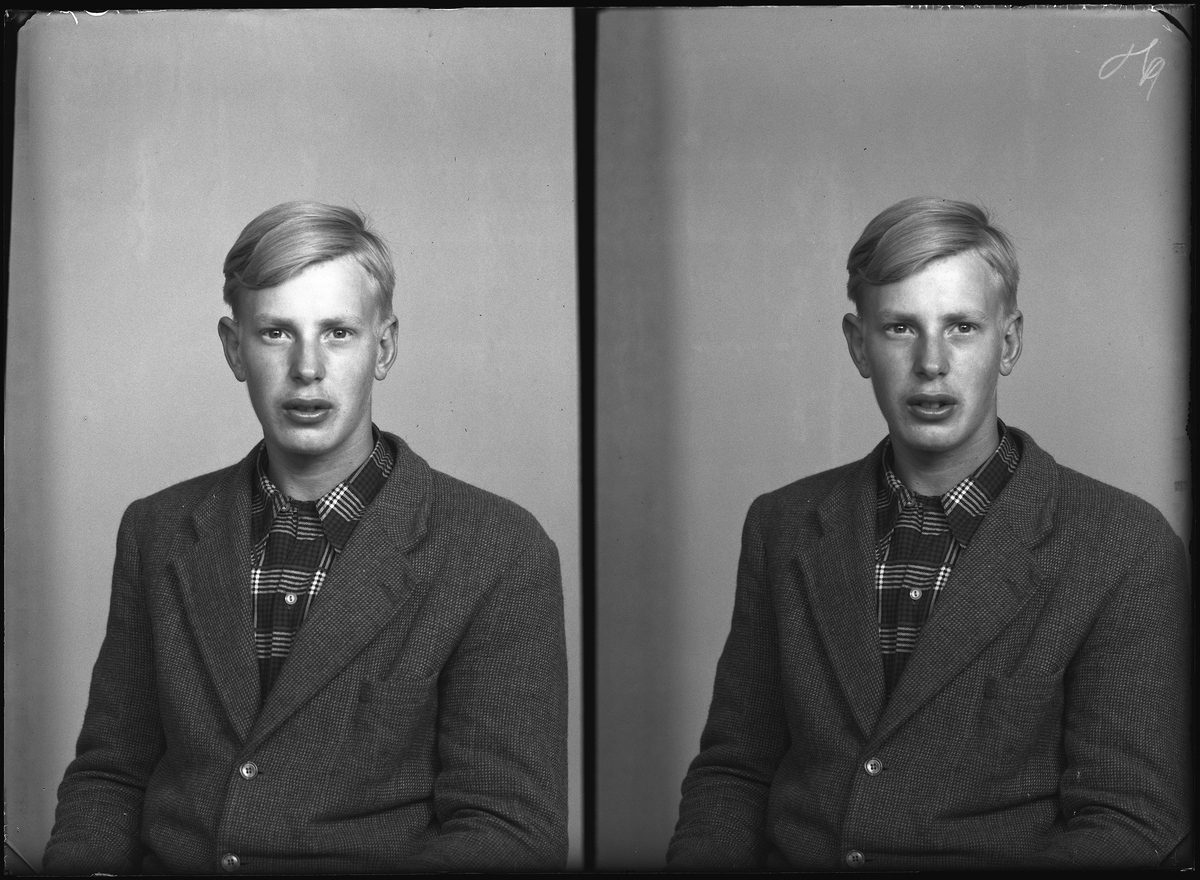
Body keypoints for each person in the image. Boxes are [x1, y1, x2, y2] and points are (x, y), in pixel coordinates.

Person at [43, 202, 569, 874]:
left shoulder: (497, 548)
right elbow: (112, 776)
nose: (307, 367)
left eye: (339, 333)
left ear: (385, 347)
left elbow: (510, 831)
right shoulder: (158, 530)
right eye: (276, 333)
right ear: (234, 348)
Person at [667, 197, 1191, 870]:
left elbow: (1128, 819)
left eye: (962, 327)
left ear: (1009, 343)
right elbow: (736, 773)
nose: (931, 362)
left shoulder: (1123, 545)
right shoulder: (784, 525)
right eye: (900, 328)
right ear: (859, 345)